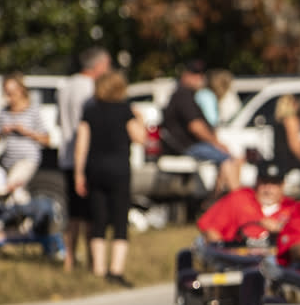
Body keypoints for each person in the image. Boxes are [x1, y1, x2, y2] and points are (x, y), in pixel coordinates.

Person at [74, 70, 147, 287]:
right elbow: (140, 138)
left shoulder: (90, 110)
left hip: (94, 169)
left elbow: (81, 143)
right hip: (118, 170)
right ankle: (115, 271)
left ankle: (97, 270)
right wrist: (140, 118)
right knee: (119, 220)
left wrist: (79, 173)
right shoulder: (125, 110)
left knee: (98, 219)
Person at [57, 46, 111, 271]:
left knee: (73, 214)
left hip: (67, 156)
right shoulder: (91, 89)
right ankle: (92, 261)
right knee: (91, 214)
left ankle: (69, 258)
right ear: (98, 66)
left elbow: (60, 121)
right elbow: (87, 126)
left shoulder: (65, 86)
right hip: (86, 158)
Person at [160, 60, 242, 197]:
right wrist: (216, 143)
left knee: (231, 159)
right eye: (194, 74)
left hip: (190, 144)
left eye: (200, 75)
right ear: (185, 75)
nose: (199, 78)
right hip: (186, 146)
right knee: (228, 160)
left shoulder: (189, 95)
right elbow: (196, 127)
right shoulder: (183, 96)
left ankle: (215, 201)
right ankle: (236, 201)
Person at [195, 161, 295, 242]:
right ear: (256, 182)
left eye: (274, 184)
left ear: (282, 185)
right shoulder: (238, 199)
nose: (268, 189)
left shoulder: (293, 208)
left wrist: (281, 228)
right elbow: (211, 230)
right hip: (237, 260)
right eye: (264, 183)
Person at [0, 72, 50, 203]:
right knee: (12, 196)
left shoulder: (32, 110)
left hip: (27, 159)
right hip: (8, 161)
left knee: (11, 188)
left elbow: (47, 139)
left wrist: (26, 132)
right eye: (6, 92)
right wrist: (3, 131)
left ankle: (31, 215)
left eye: (12, 92)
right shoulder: (3, 111)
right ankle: (23, 220)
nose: (9, 96)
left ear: (21, 90)